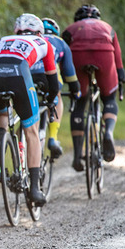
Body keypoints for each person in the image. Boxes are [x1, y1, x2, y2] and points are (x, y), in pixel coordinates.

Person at [0, 13, 60, 206]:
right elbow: (53, 81)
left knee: (1, 112)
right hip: (19, 74)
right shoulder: (44, 43)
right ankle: (34, 189)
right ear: (40, 32)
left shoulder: (4, 40)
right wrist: (50, 100)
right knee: (31, 130)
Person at [62, 4, 125, 170]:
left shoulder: (71, 29)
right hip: (104, 55)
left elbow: (62, 54)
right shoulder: (108, 27)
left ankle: (77, 156)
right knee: (109, 97)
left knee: (80, 102)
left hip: (78, 56)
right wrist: (120, 75)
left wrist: (66, 79)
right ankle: (108, 133)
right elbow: (117, 57)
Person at [30, 17, 81, 159]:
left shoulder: (31, 39)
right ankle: (52, 137)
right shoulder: (60, 42)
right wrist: (75, 91)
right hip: (47, 77)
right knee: (56, 95)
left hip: (27, 76)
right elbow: (70, 74)